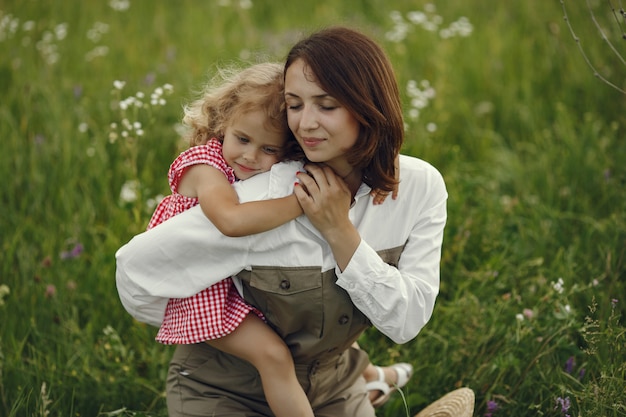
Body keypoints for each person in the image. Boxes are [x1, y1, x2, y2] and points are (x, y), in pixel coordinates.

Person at [116, 26, 447, 416]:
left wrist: (338, 230)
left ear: (369, 106)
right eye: (294, 105)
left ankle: (368, 382)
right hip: (226, 391)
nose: (305, 124)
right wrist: (211, 326)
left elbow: (405, 322)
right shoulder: (263, 198)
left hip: (333, 387)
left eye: (326, 106)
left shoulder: (420, 187)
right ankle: (372, 383)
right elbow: (135, 273)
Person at [147, 62, 314, 417]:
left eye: (270, 149)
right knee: (273, 355)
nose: (251, 156)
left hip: (232, 278)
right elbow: (229, 221)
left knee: (304, 325)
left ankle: (370, 377)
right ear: (223, 123)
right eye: (243, 139)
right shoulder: (204, 168)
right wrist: (301, 203)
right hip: (200, 293)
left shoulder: (260, 166)